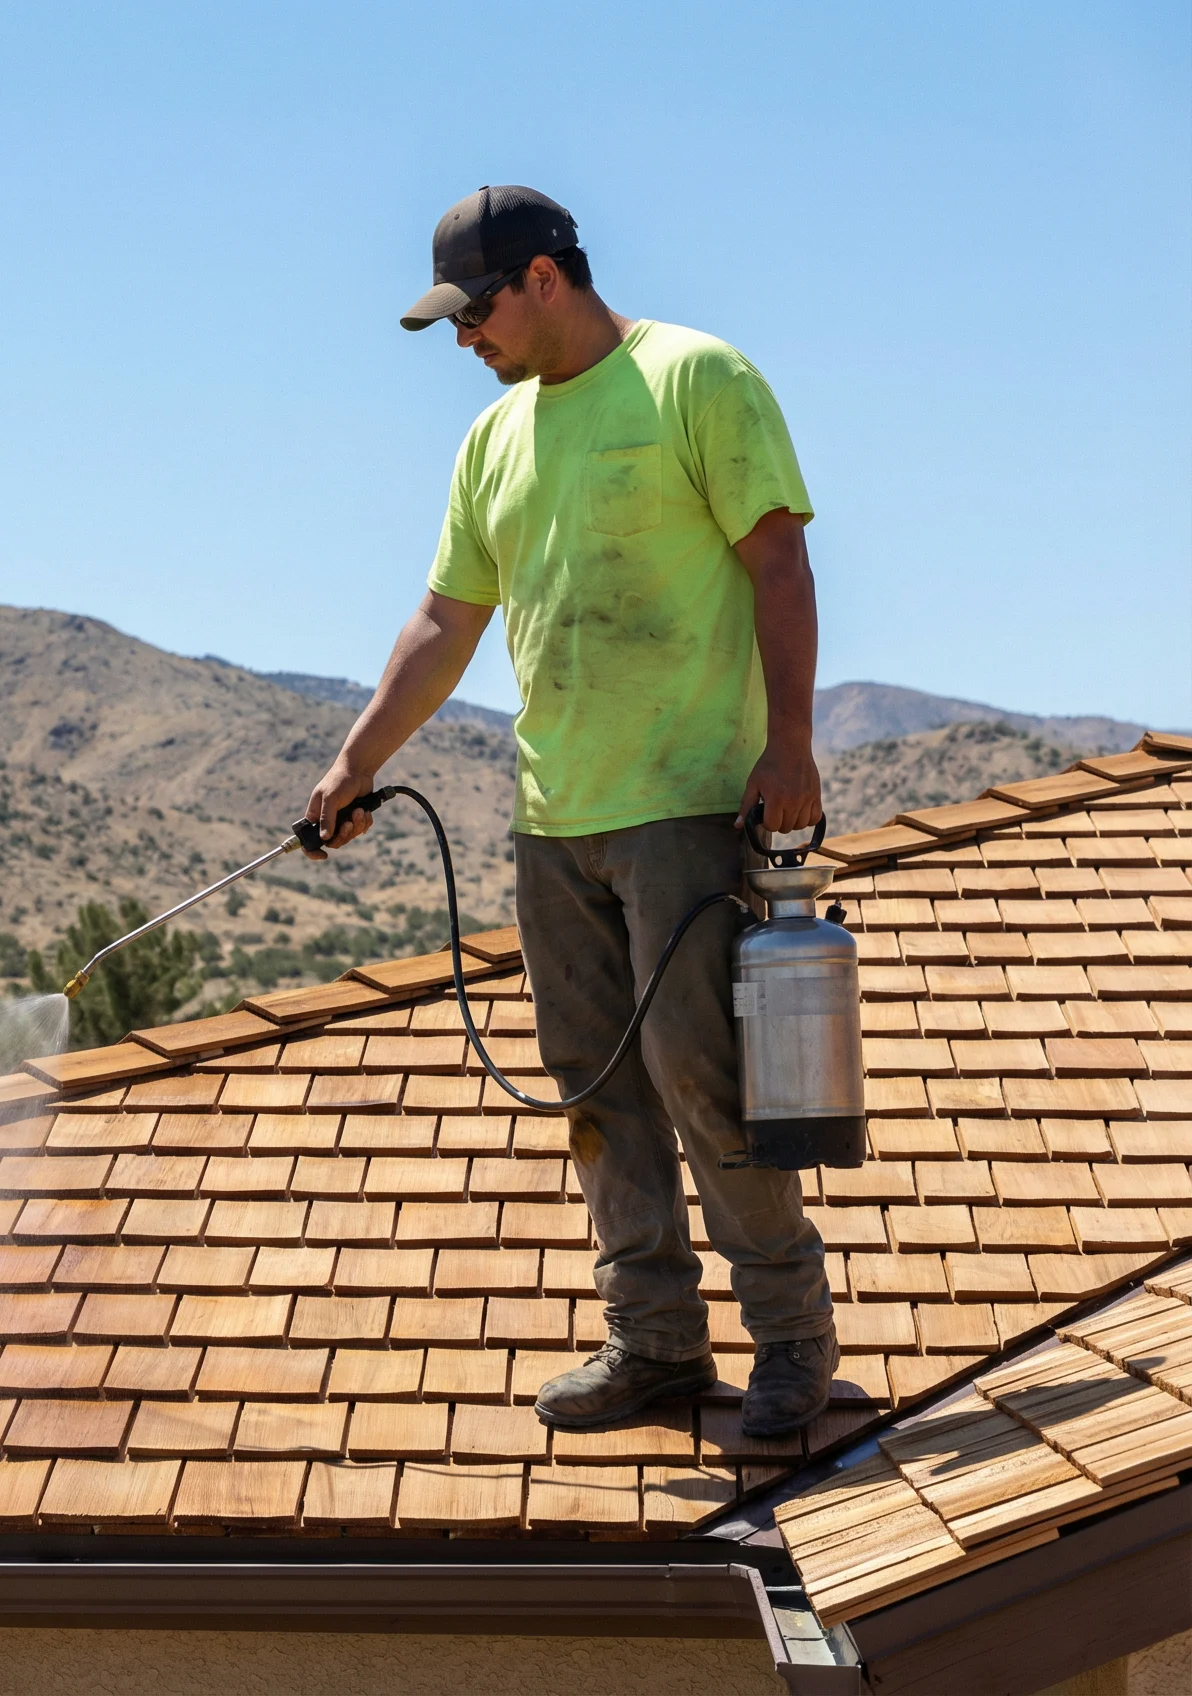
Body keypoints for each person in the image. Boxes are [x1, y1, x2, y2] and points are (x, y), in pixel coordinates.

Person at [302, 185, 835, 1437]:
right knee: (595, 1090)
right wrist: (353, 760)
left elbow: (778, 561)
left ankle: (790, 1350)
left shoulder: (695, 379)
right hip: (555, 821)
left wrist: (793, 742)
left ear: (544, 277)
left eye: (472, 311)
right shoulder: (492, 442)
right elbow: (443, 624)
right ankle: (652, 1347)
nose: (463, 341)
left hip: (689, 803)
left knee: (705, 1084)